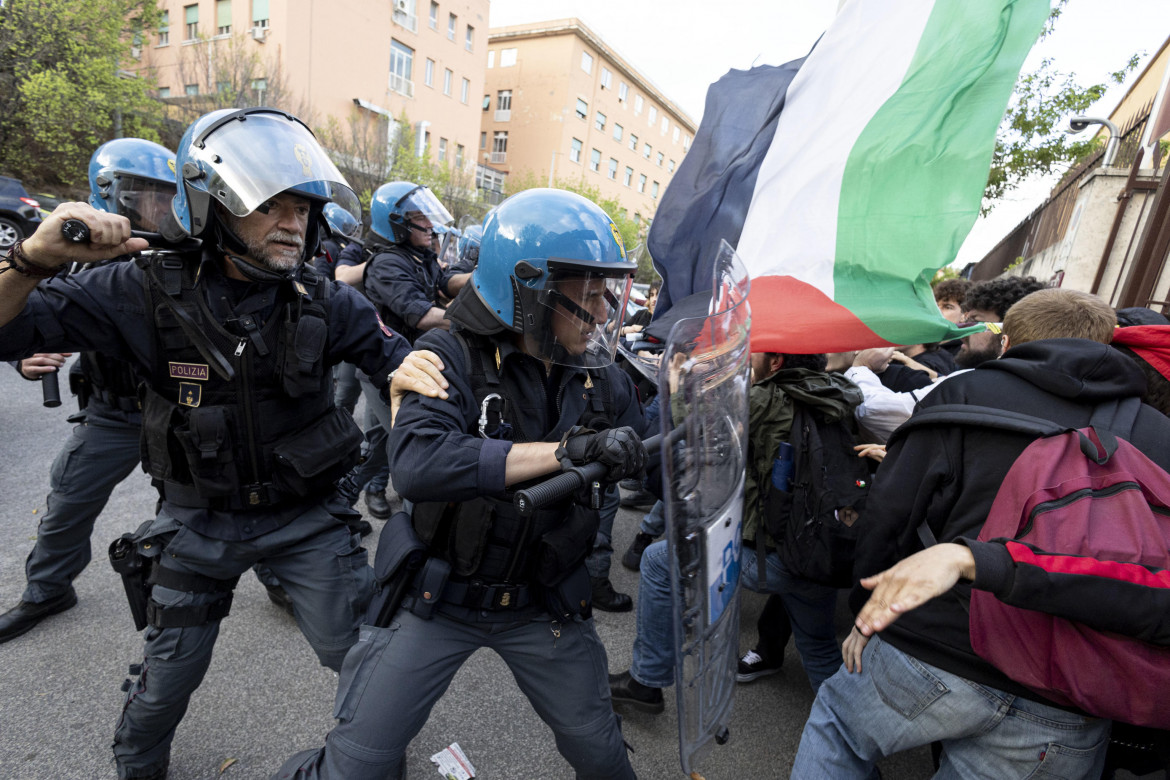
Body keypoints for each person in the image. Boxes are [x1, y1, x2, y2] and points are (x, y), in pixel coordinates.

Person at [0, 107, 442, 780]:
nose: (292, 222)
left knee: (367, 662)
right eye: (270, 206)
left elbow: (399, 363)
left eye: (302, 207)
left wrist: (417, 376)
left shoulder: (326, 300)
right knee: (161, 687)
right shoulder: (139, 289)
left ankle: (372, 761)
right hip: (196, 523)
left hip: (306, 524)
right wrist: (31, 259)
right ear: (217, 205)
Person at [274, 188, 649, 780]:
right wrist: (564, 452)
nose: (603, 313)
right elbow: (419, 467)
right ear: (531, 292)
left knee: (602, 755)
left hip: (542, 600)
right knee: (358, 765)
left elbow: (648, 455)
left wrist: (691, 410)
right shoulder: (447, 353)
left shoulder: (601, 378)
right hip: (438, 598)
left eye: (606, 294)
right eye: (587, 297)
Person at [791, 288, 1170, 779]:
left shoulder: (965, 392)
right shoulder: (1157, 434)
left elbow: (889, 515)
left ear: (1008, 341)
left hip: (935, 642)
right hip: (1070, 685)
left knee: (839, 729)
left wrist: (874, 604)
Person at [609, 352, 861, 713]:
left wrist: (679, 383)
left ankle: (645, 681)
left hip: (775, 556)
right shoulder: (840, 394)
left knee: (657, 561)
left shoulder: (766, 400)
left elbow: (695, 432)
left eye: (755, 350)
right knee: (819, 646)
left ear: (776, 362)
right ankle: (850, 734)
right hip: (821, 550)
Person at [0, 138, 175, 643]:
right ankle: (47, 590)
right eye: (148, 196)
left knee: (210, 507)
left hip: (182, 412)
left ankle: (278, 579)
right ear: (113, 195)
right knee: (69, 502)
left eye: (168, 196)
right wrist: (22, 359)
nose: (160, 209)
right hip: (113, 413)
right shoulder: (70, 257)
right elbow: (16, 316)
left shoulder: (186, 256)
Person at [845, 275, 1048, 442]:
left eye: (976, 321)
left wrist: (861, 367)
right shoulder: (1051, 387)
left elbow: (876, 411)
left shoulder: (972, 383)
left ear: (1008, 329)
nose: (964, 330)